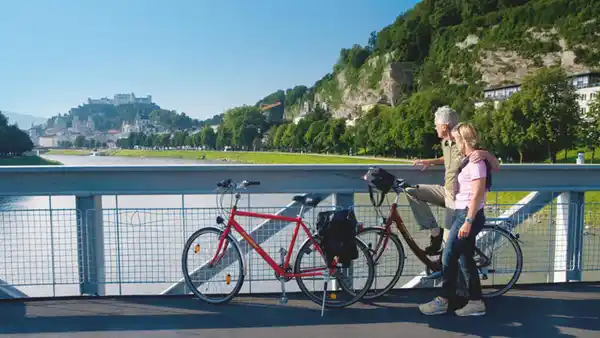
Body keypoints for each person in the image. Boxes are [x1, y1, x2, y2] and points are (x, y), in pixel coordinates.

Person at [406, 106, 499, 255]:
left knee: (450, 247)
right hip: (446, 190)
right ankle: (435, 232)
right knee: (411, 191)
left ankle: (450, 272)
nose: (435, 128)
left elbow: (494, 165)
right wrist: (429, 162)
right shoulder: (445, 143)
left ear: (444, 126)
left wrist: (485, 154)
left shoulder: (463, 142)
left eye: (436, 125)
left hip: (458, 199)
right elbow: (447, 159)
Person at [419, 122, 489, 316]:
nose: (454, 142)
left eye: (457, 139)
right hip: (463, 212)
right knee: (465, 259)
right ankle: (476, 302)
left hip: (467, 214)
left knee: (449, 256)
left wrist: (468, 221)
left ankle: (444, 299)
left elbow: (477, 195)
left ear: (463, 140)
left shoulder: (476, 163)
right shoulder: (470, 159)